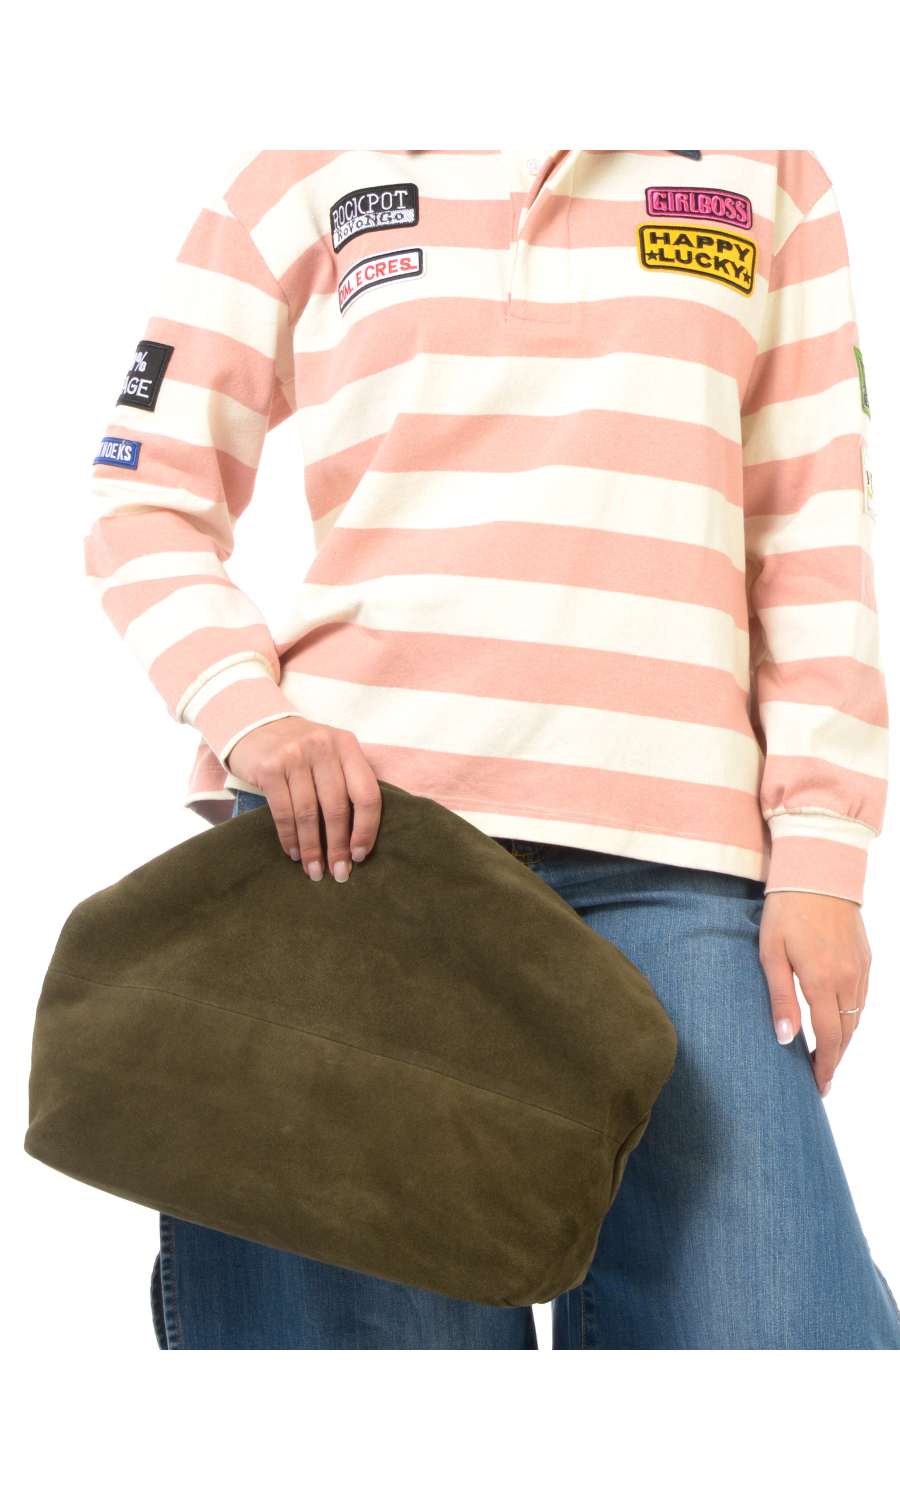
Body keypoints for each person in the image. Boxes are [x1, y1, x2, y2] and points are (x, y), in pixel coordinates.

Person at [87, 149, 900, 1349]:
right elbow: (142, 488)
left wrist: (825, 852)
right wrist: (247, 711)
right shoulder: (311, 155)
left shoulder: (765, 159)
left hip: (676, 863)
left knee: (783, 1347)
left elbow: (815, 527)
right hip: (356, 852)